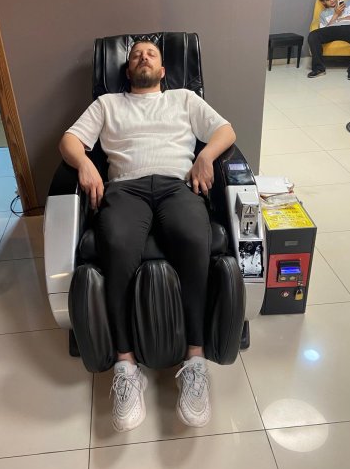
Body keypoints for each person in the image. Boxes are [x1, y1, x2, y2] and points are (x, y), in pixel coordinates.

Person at [59, 39, 236, 432]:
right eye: (136, 54)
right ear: (127, 71)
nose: (143, 57)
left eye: (151, 54)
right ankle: (126, 366)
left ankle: (195, 360)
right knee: (117, 246)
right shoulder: (107, 104)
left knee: (195, 240)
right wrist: (85, 164)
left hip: (177, 185)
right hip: (126, 189)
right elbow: (69, 141)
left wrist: (206, 156)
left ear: (162, 71)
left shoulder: (184, 99)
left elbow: (225, 131)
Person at [307, 0, 350, 80]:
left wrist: (340, 19)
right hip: (333, 30)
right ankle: (319, 69)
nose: (332, 0)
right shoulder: (324, 14)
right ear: (323, 2)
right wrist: (336, 14)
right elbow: (325, 29)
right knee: (313, 35)